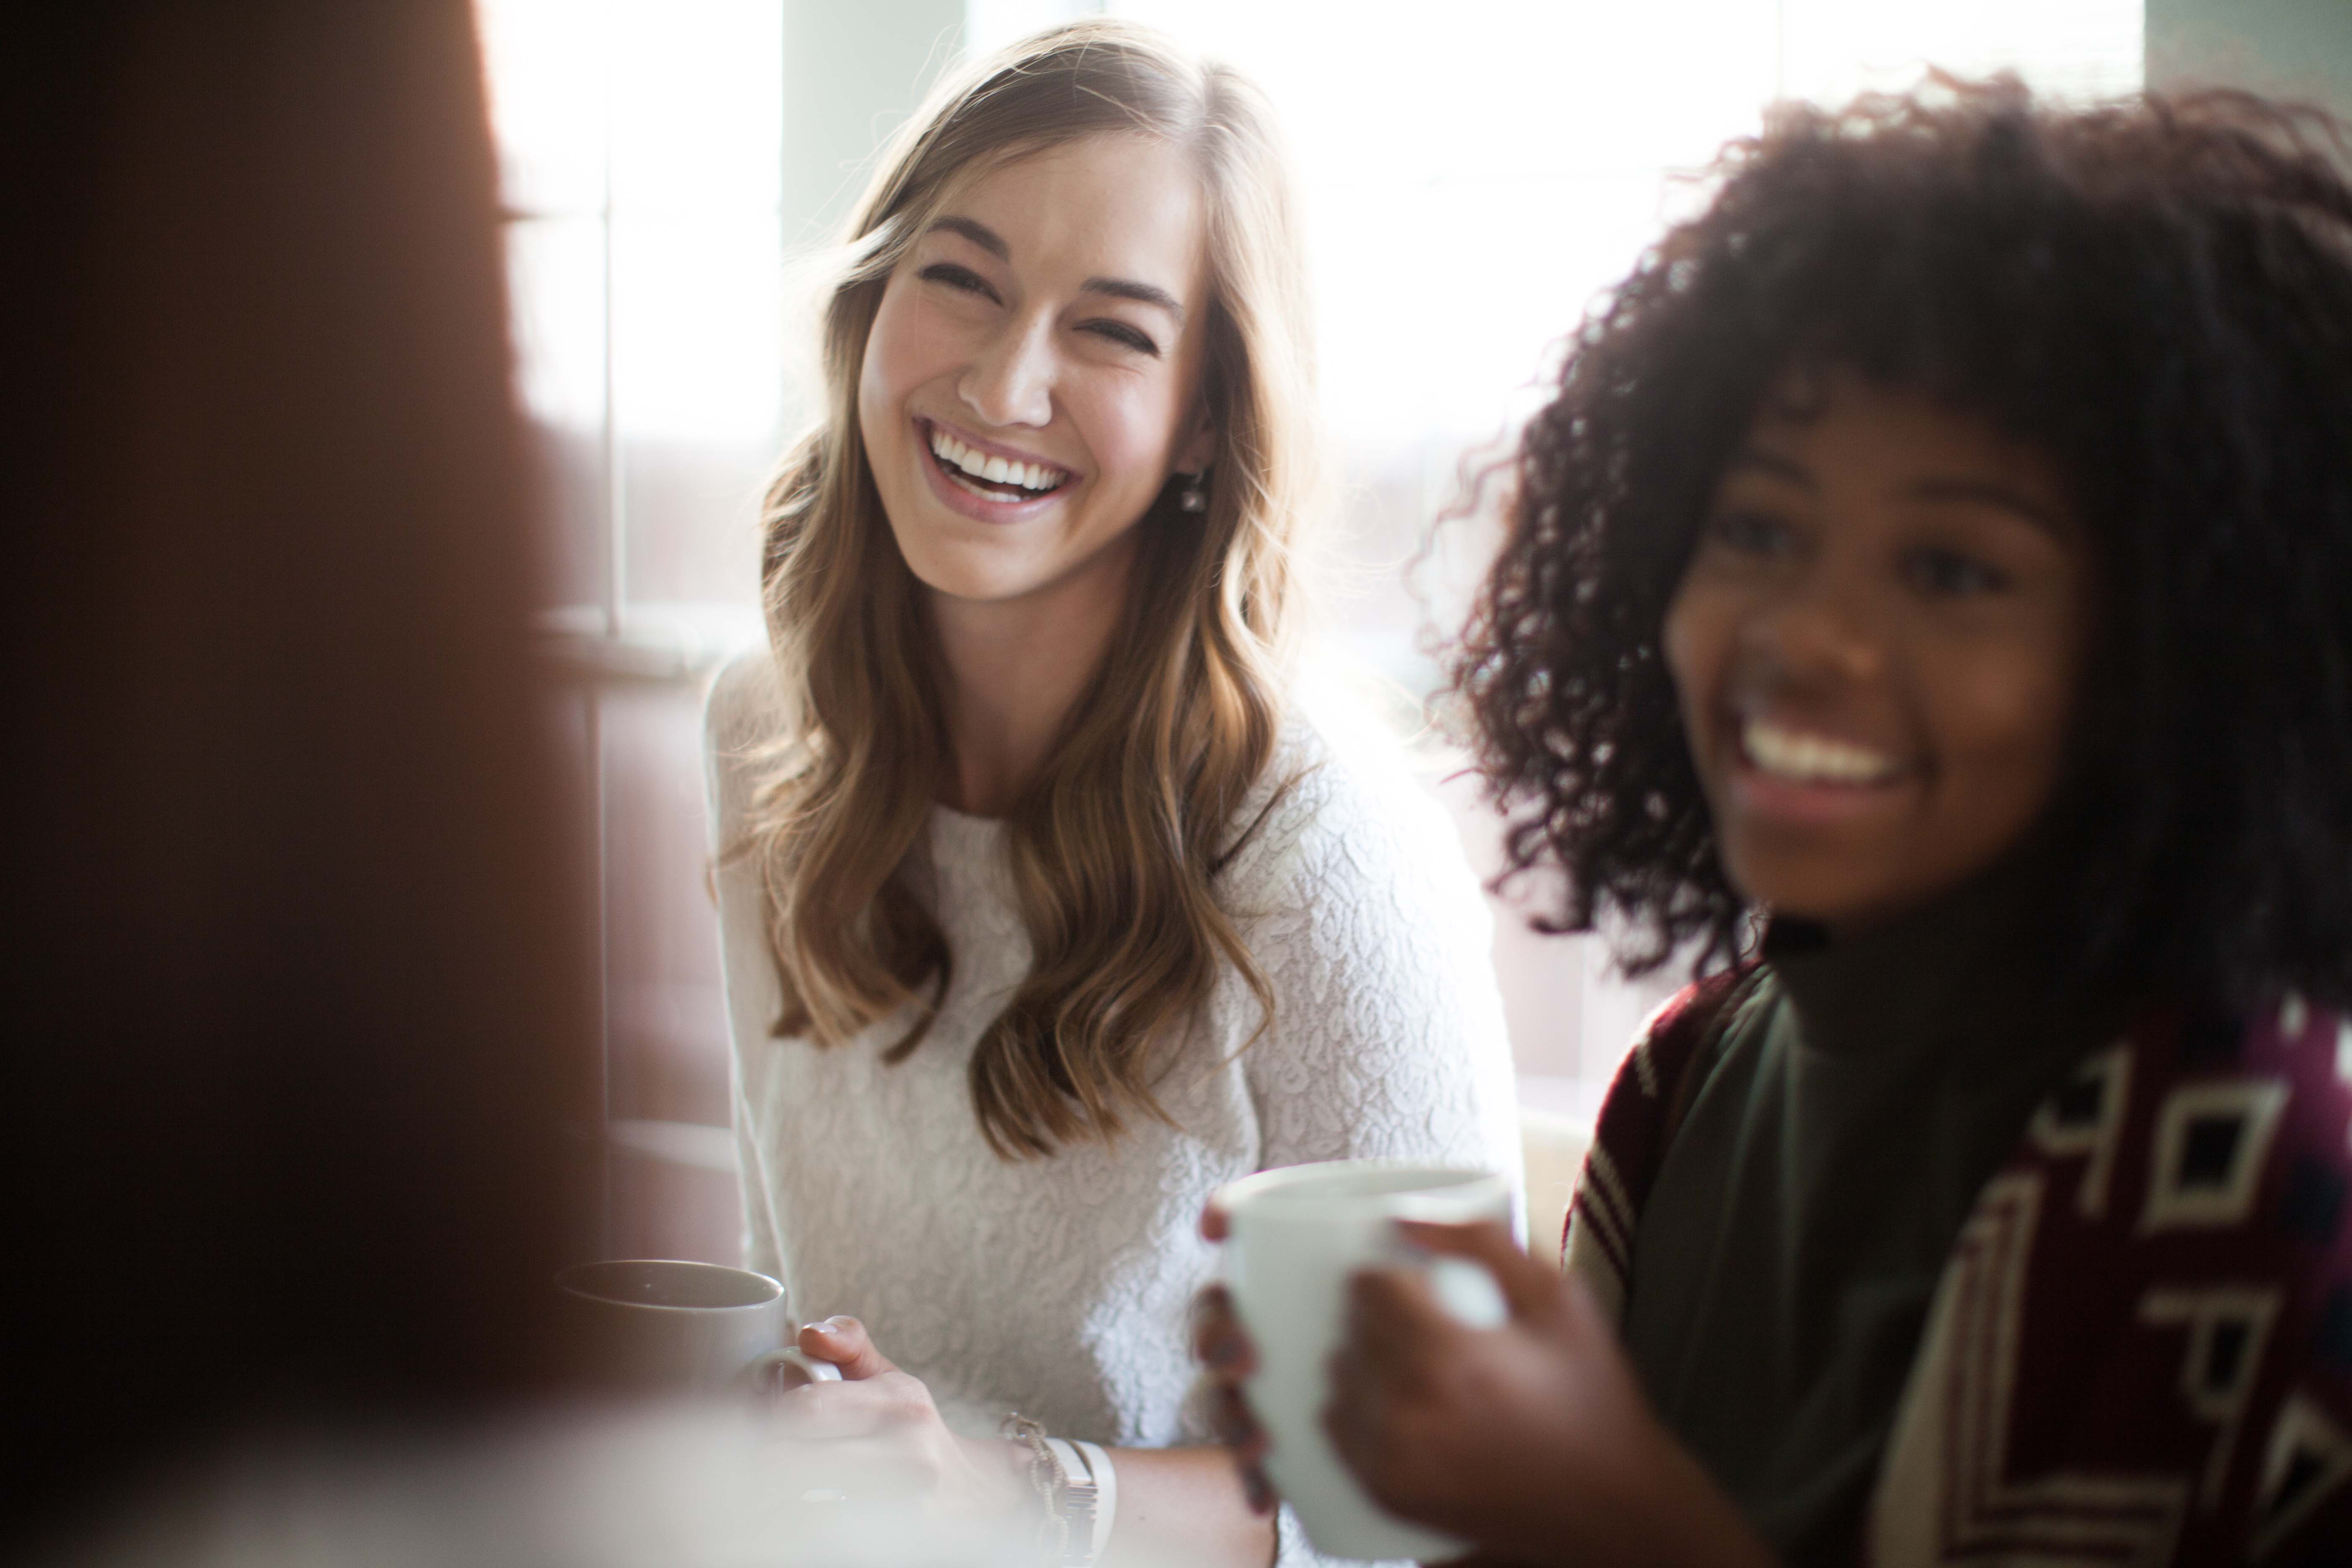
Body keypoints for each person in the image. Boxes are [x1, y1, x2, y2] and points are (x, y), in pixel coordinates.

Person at [1197, 82, 2352, 1565]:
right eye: (1756, 531)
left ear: (2180, 645)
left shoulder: (2264, 1171)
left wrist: (1606, 1510)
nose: (1806, 639)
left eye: (1949, 570)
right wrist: (1420, 1473)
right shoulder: (1693, 1079)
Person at [702, 19, 1519, 1568]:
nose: (1006, 384)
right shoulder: (760, 734)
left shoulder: (1321, 844)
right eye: (963, 278)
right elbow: (785, 1291)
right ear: (875, 301)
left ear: (1209, 416)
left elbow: (1437, 1498)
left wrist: (1018, 1497)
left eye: (1116, 333)